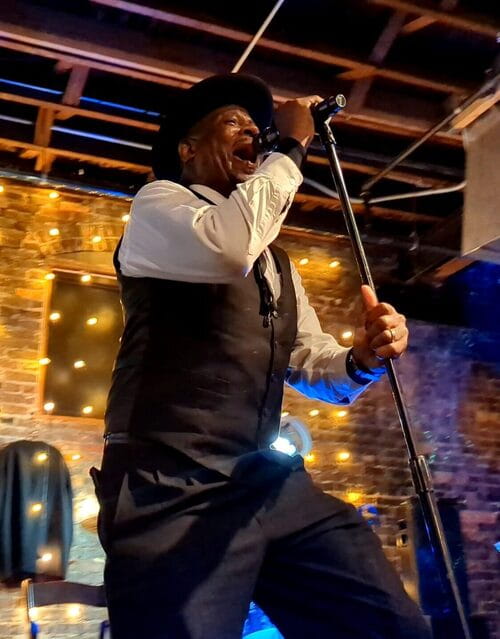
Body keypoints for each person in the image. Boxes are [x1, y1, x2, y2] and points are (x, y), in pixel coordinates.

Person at [92, 73, 430, 639]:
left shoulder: (276, 261)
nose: (253, 132)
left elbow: (308, 359)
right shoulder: (159, 206)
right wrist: (293, 146)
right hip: (170, 482)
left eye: (258, 127)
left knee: (390, 625)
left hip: (266, 482)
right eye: (234, 123)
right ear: (188, 150)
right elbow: (227, 248)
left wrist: (363, 357)